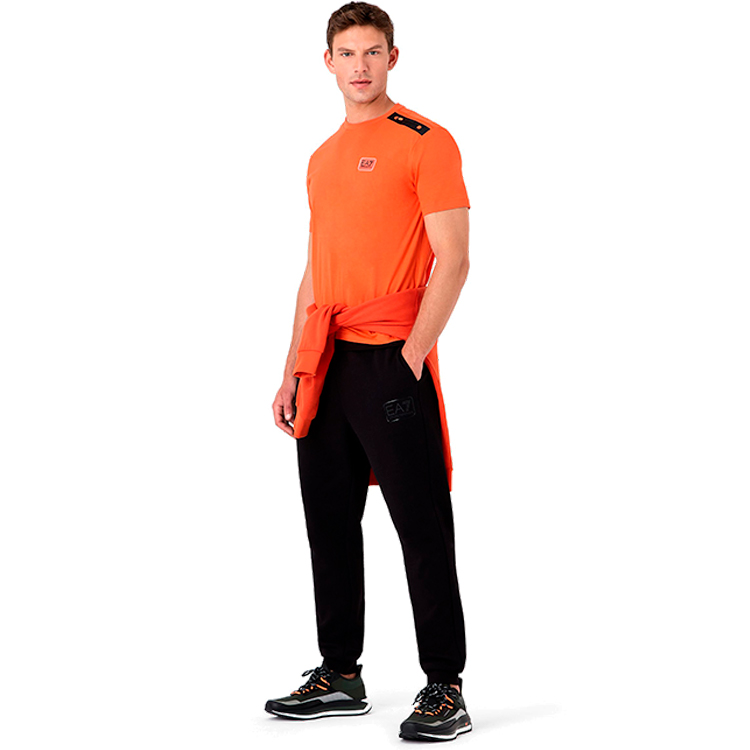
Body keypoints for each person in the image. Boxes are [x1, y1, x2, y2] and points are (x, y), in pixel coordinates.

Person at [266, 2, 472, 741]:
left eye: (372, 52)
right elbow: (315, 271)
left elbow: (455, 259)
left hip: (390, 355)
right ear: (328, 62)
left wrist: (410, 356)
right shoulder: (322, 157)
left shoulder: (426, 141)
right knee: (328, 522)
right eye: (347, 53)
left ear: (393, 57)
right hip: (325, 361)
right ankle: (340, 674)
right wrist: (293, 369)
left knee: (421, 524)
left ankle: (444, 686)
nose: (360, 65)